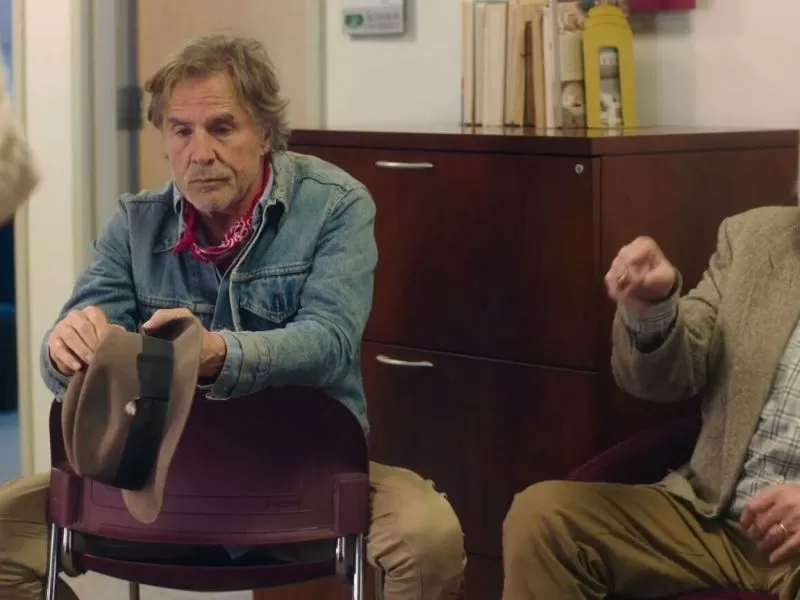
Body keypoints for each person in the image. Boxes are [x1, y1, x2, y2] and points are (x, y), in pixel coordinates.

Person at [0, 34, 464, 600]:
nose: (200, 153)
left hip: (299, 478)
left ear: (265, 134)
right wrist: (64, 347)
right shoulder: (134, 223)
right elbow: (72, 351)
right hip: (160, 480)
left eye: (222, 128)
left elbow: (330, 343)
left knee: (428, 538)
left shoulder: (336, 205)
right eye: (181, 131)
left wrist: (218, 353)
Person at [502, 205, 800, 600]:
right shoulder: (752, 236)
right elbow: (676, 374)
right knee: (544, 519)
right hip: (715, 519)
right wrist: (654, 309)